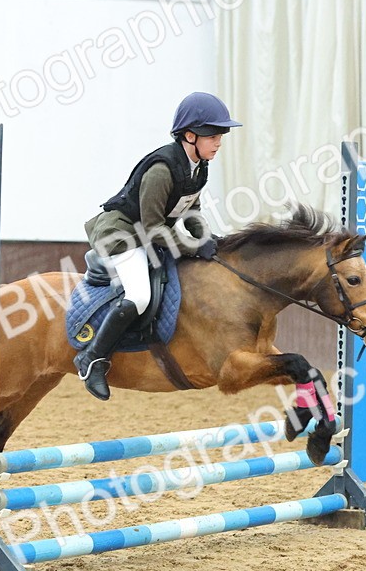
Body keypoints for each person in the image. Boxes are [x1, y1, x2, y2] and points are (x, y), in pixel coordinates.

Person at [74, 91, 242, 400]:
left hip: (148, 233)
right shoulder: (162, 170)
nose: (219, 141)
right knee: (139, 295)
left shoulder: (198, 167)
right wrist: (192, 248)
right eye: (212, 135)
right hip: (121, 234)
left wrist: (206, 238)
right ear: (189, 135)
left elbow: (192, 212)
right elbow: (152, 229)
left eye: (221, 135)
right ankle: (92, 358)